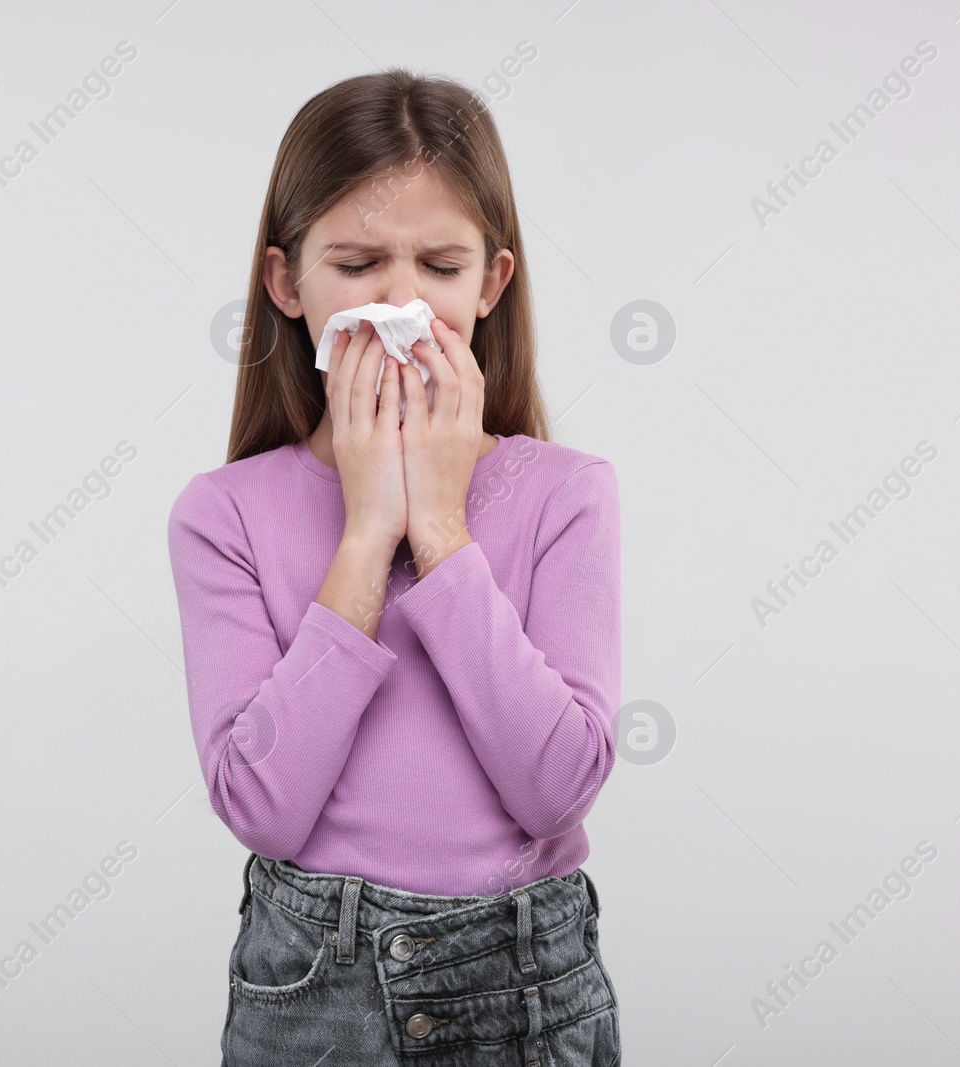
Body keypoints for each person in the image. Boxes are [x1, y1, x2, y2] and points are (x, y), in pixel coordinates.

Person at [167, 67, 622, 1067]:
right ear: (289, 285)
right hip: (310, 993)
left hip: (525, 988)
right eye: (360, 261)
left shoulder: (567, 492)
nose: (402, 303)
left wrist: (445, 529)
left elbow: (556, 788)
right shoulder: (223, 514)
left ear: (492, 284)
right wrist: (367, 532)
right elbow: (261, 805)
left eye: (441, 267)